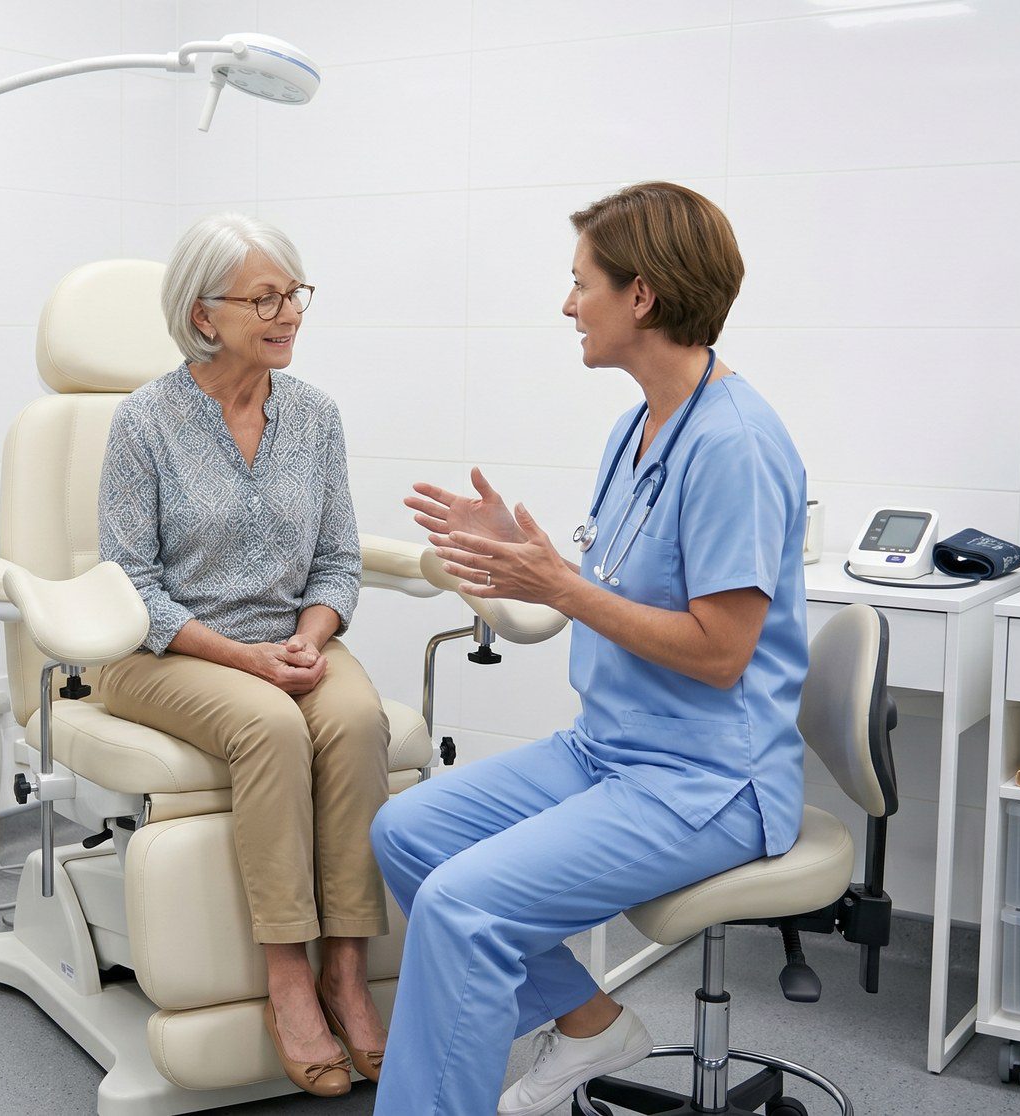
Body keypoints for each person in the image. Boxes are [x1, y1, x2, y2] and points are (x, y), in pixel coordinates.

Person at [370, 182, 810, 1116]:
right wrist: (521, 557)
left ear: (641, 295)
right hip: (608, 748)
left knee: (463, 905)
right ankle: (588, 1025)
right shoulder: (637, 426)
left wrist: (560, 586)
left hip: (707, 781)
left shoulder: (735, 444)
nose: (568, 305)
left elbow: (721, 653)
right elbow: (617, 580)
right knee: (407, 831)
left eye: (581, 284)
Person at [95, 213, 390, 1097]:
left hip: (291, 645)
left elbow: (339, 558)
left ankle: (347, 962)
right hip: (164, 648)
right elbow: (132, 587)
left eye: (295, 293)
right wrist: (247, 661)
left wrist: (308, 636)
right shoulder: (144, 423)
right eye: (266, 297)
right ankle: (288, 978)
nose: (289, 312)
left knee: (357, 719)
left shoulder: (315, 416)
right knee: (271, 728)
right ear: (203, 313)